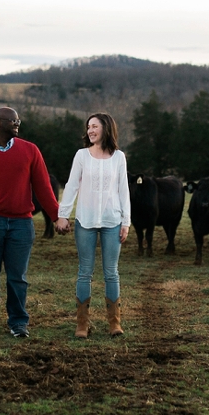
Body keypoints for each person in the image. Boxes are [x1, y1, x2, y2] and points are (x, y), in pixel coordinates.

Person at [0, 106, 60, 338]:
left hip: (21, 225)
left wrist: (57, 217)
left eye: (18, 121)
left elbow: (43, 188)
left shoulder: (30, 150)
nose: (17, 124)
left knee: (18, 277)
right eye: (12, 121)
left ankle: (18, 322)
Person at [55, 112, 130, 338]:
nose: (90, 130)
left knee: (111, 273)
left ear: (106, 128)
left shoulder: (119, 157)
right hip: (85, 221)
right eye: (88, 127)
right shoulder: (81, 156)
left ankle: (114, 323)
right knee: (84, 273)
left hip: (112, 221)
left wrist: (125, 221)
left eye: (95, 126)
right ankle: (82, 325)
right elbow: (71, 186)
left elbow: (123, 190)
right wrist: (63, 214)